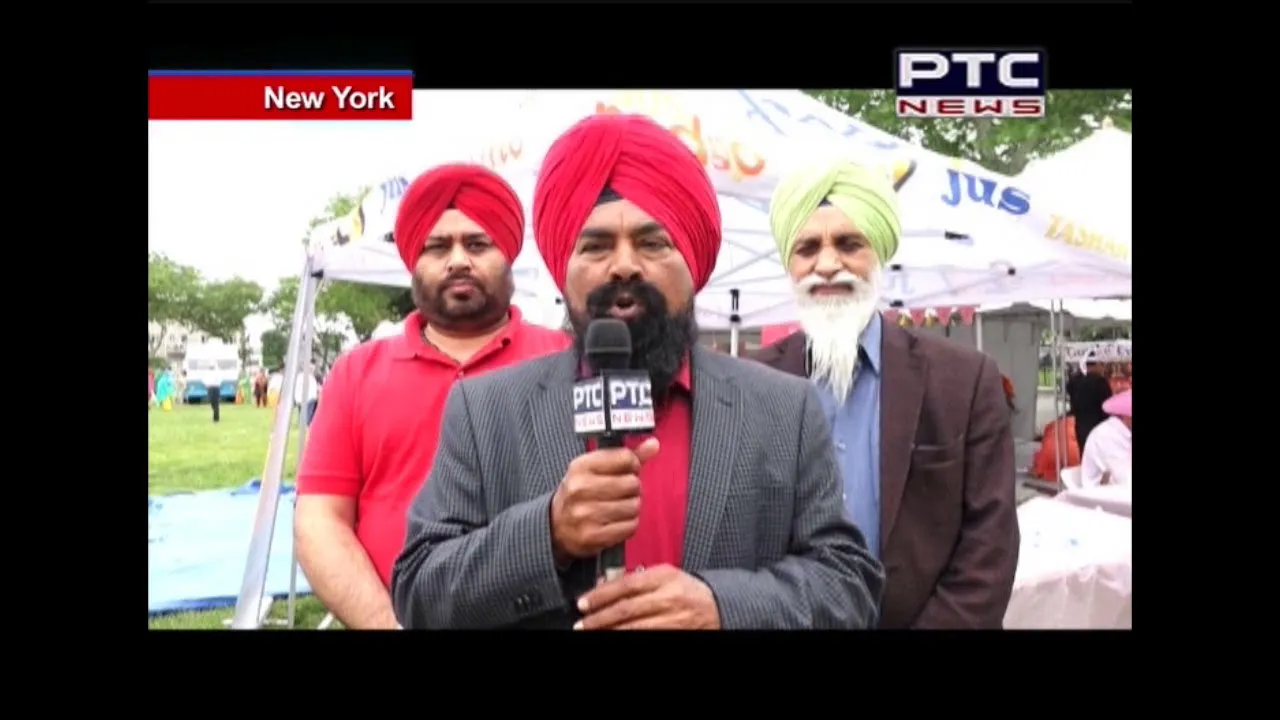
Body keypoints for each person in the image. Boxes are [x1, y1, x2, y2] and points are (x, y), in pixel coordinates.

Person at [392, 115, 883, 630]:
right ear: (565, 270)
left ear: (692, 264)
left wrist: (720, 606)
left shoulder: (785, 409)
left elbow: (848, 585)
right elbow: (419, 592)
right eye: (596, 246)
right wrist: (549, 532)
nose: (624, 265)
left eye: (653, 243)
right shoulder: (484, 410)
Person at [294, 163, 570, 630]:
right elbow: (320, 519)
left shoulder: (566, 360)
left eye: (477, 243)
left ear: (508, 256)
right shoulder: (356, 373)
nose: (458, 260)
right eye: (437, 246)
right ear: (412, 263)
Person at [748, 159, 1018, 629]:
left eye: (849, 244)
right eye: (808, 248)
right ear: (789, 264)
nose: (827, 264)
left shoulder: (964, 381)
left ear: (880, 254)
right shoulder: (749, 385)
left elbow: (988, 549)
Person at [1081, 389, 1131, 486]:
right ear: (1126, 415)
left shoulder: (1125, 432)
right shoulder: (1106, 435)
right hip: (1099, 496)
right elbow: (1125, 478)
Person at [1068, 354, 1113, 456]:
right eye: (1102, 364)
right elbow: (1108, 406)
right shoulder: (1100, 382)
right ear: (1096, 364)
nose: (1103, 368)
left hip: (1081, 425)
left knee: (1085, 455)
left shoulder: (1074, 380)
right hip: (1099, 426)